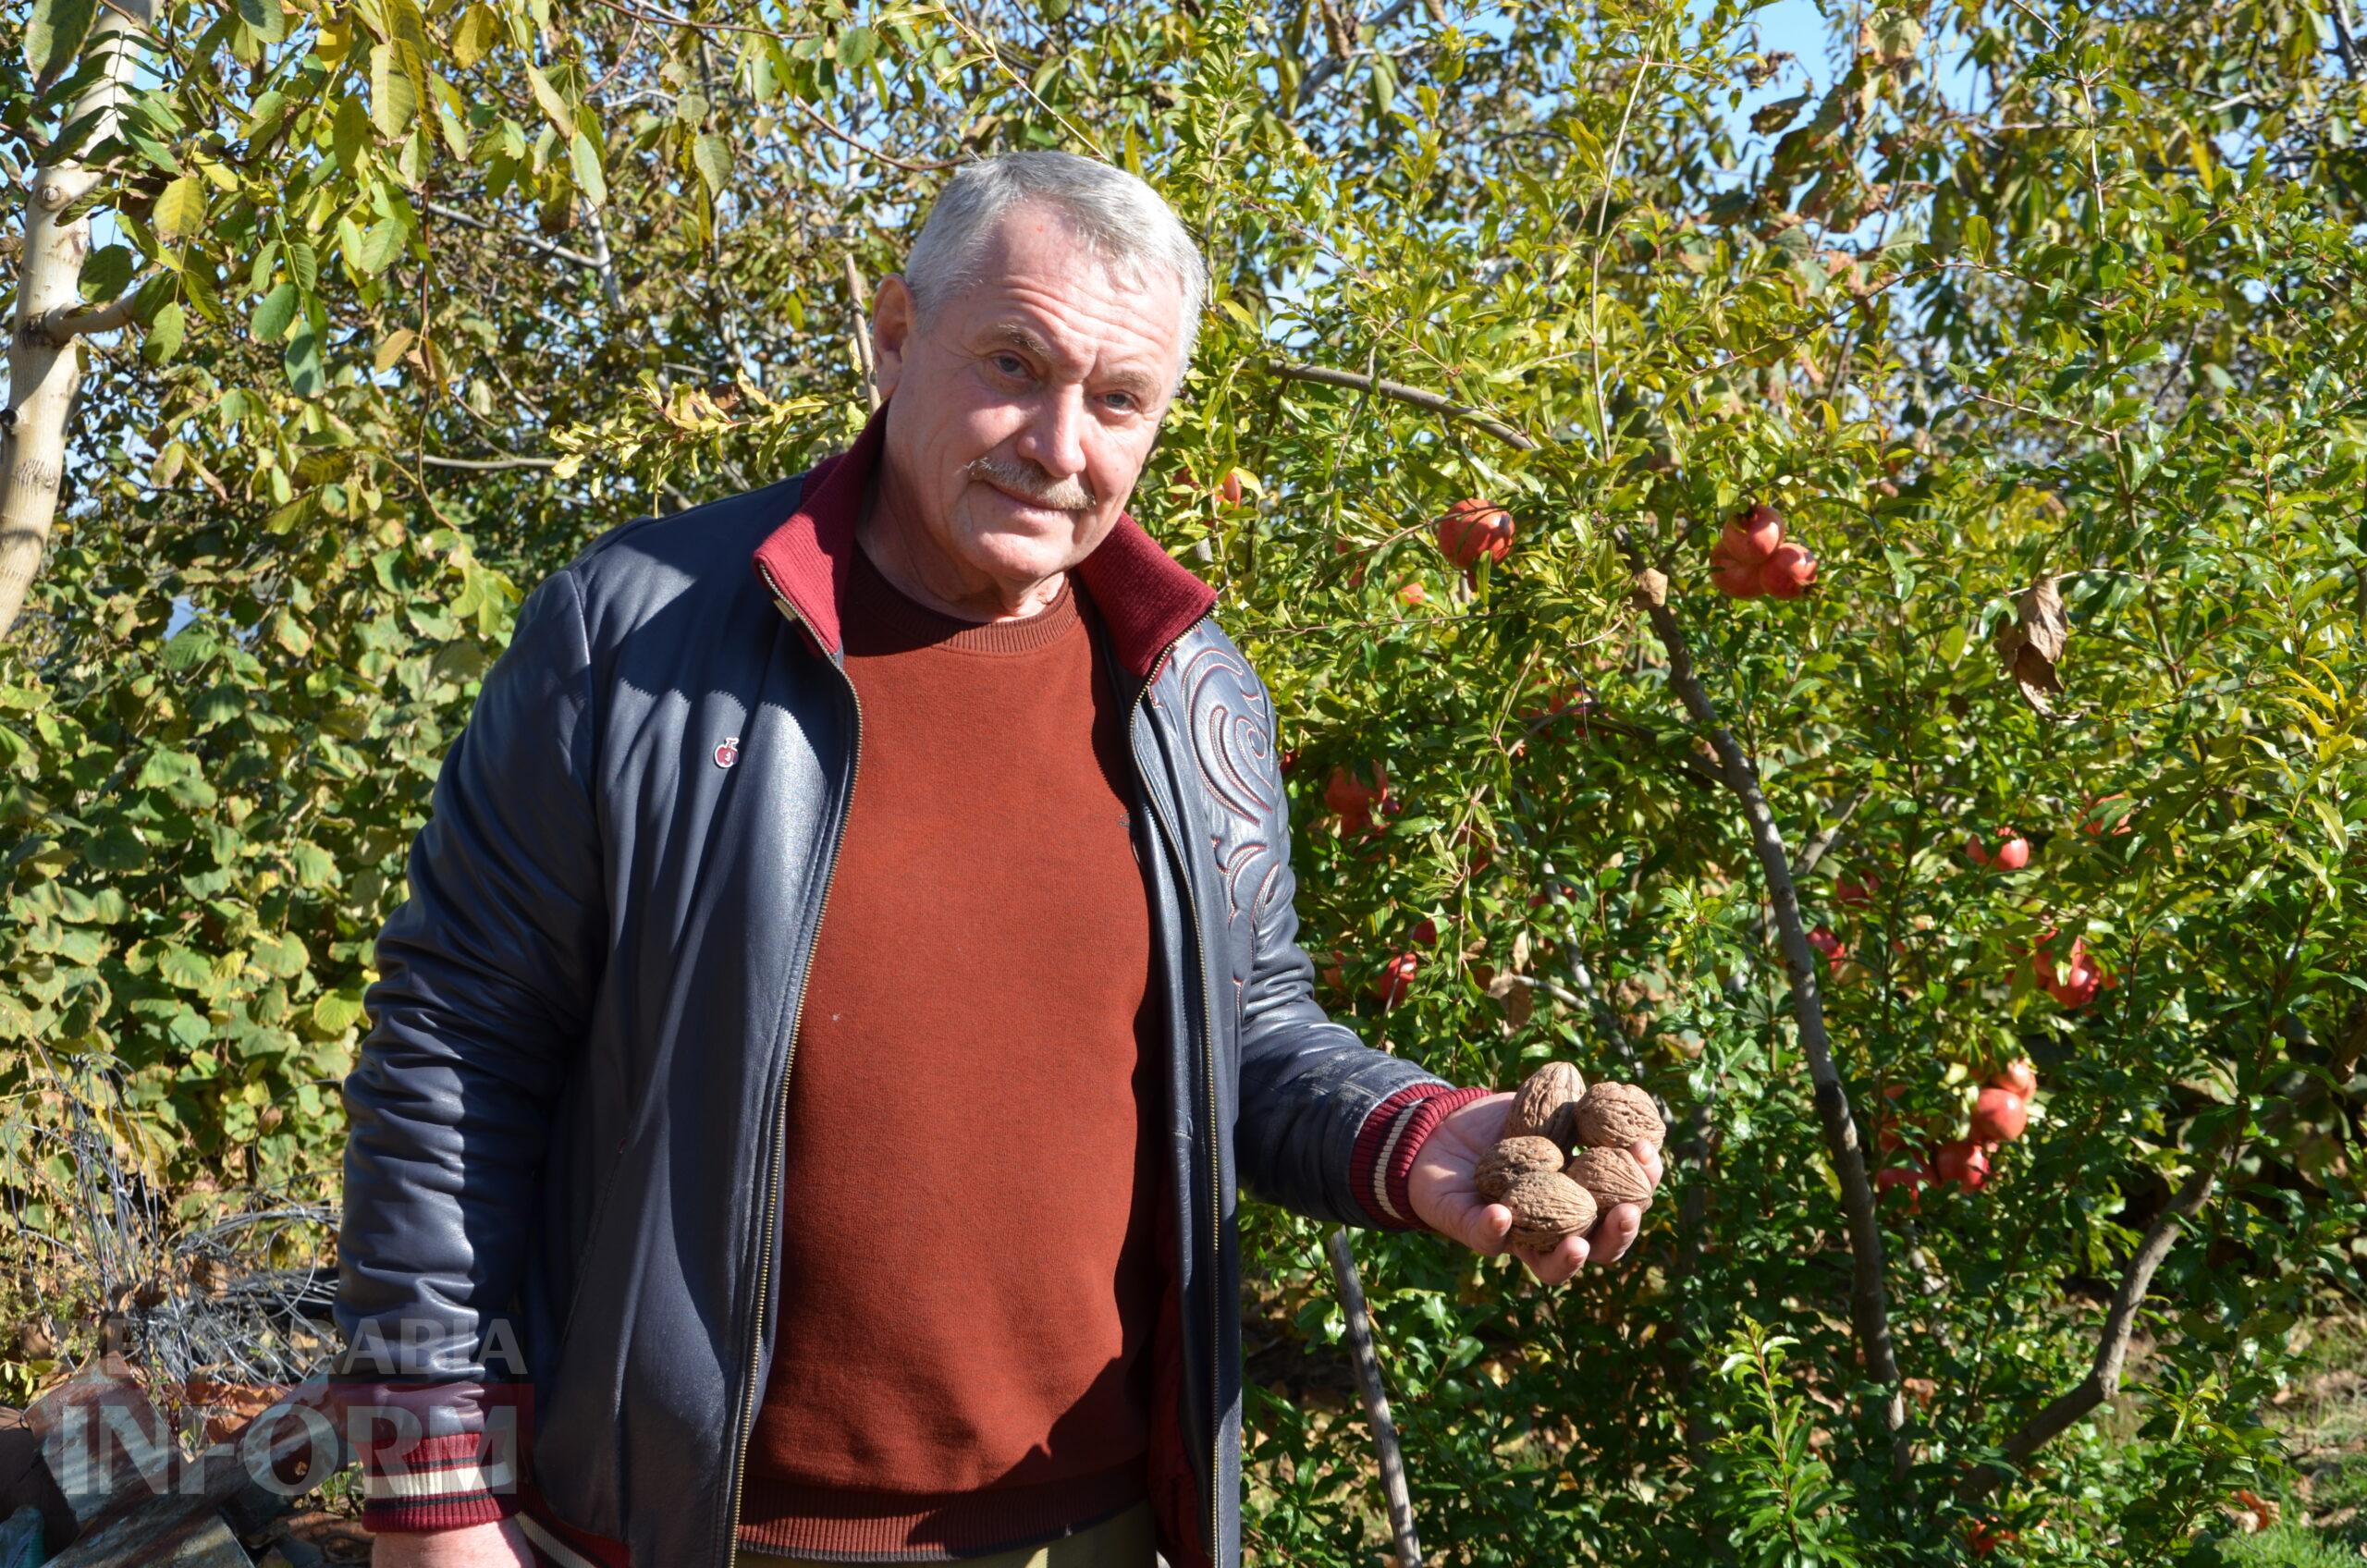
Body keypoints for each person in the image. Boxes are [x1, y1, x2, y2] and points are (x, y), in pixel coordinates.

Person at [335, 149, 1662, 1568]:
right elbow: (452, 1054)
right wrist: (428, 1492)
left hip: (1091, 1533)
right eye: (1015, 365)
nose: (1059, 443)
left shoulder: (1186, 691)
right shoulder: (639, 637)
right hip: (689, 1530)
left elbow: (1249, 1035)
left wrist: (1416, 1136)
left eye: (1119, 400)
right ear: (895, 337)